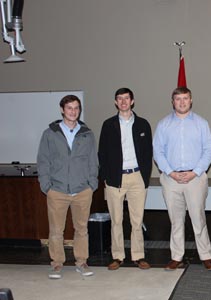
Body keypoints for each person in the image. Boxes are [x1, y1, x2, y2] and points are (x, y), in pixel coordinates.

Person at [153, 87, 211, 271]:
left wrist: (195, 172)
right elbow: (158, 152)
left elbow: (208, 151)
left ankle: (206, 256)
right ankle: (176, 256)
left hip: (195, 178)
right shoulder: (163, 124)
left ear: (191, 100)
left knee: (198, 218)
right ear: (172, 101)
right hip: (171, 178)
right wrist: (171, 172)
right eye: (178, 99)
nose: (182, 102)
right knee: (176, 220)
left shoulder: (201, 123)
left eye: (185, 98)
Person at [37, 95, 98, 279]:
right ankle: (56, 264)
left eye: (76, 108)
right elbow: (43, 161)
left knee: (82, 229)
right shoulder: (50, 133)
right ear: (62, 110)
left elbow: (92, 161)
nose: (73, 111)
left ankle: (82, 262)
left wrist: (91, 184)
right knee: (56, 230)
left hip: (82, 190)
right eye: (69, 108)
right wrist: (47, 186)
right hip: (57, 190)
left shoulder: (87, 133)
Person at [98, 87, 152, 270]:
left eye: (126, 98)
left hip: (137, 177)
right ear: (115, 102)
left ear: (132, 101)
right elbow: (102, 153)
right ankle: (118, 256)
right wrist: (106, 177)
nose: (123, 102)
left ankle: (138, 256)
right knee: (117, 220)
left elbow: (148, 153)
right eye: (119, 99)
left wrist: (144, 177)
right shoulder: (108, 125)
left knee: (137, 220)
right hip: (115, 179)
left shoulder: (143, 124)